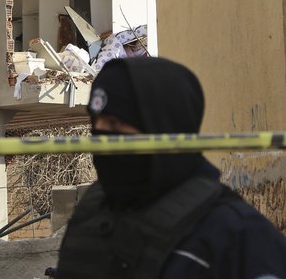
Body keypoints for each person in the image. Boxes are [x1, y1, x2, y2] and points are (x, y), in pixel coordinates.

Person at [56, 57, 286, 279]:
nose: (100, 137)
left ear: (162, 126)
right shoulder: (90, 212)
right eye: (95, 123)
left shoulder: (235, 236)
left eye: (115, 123)